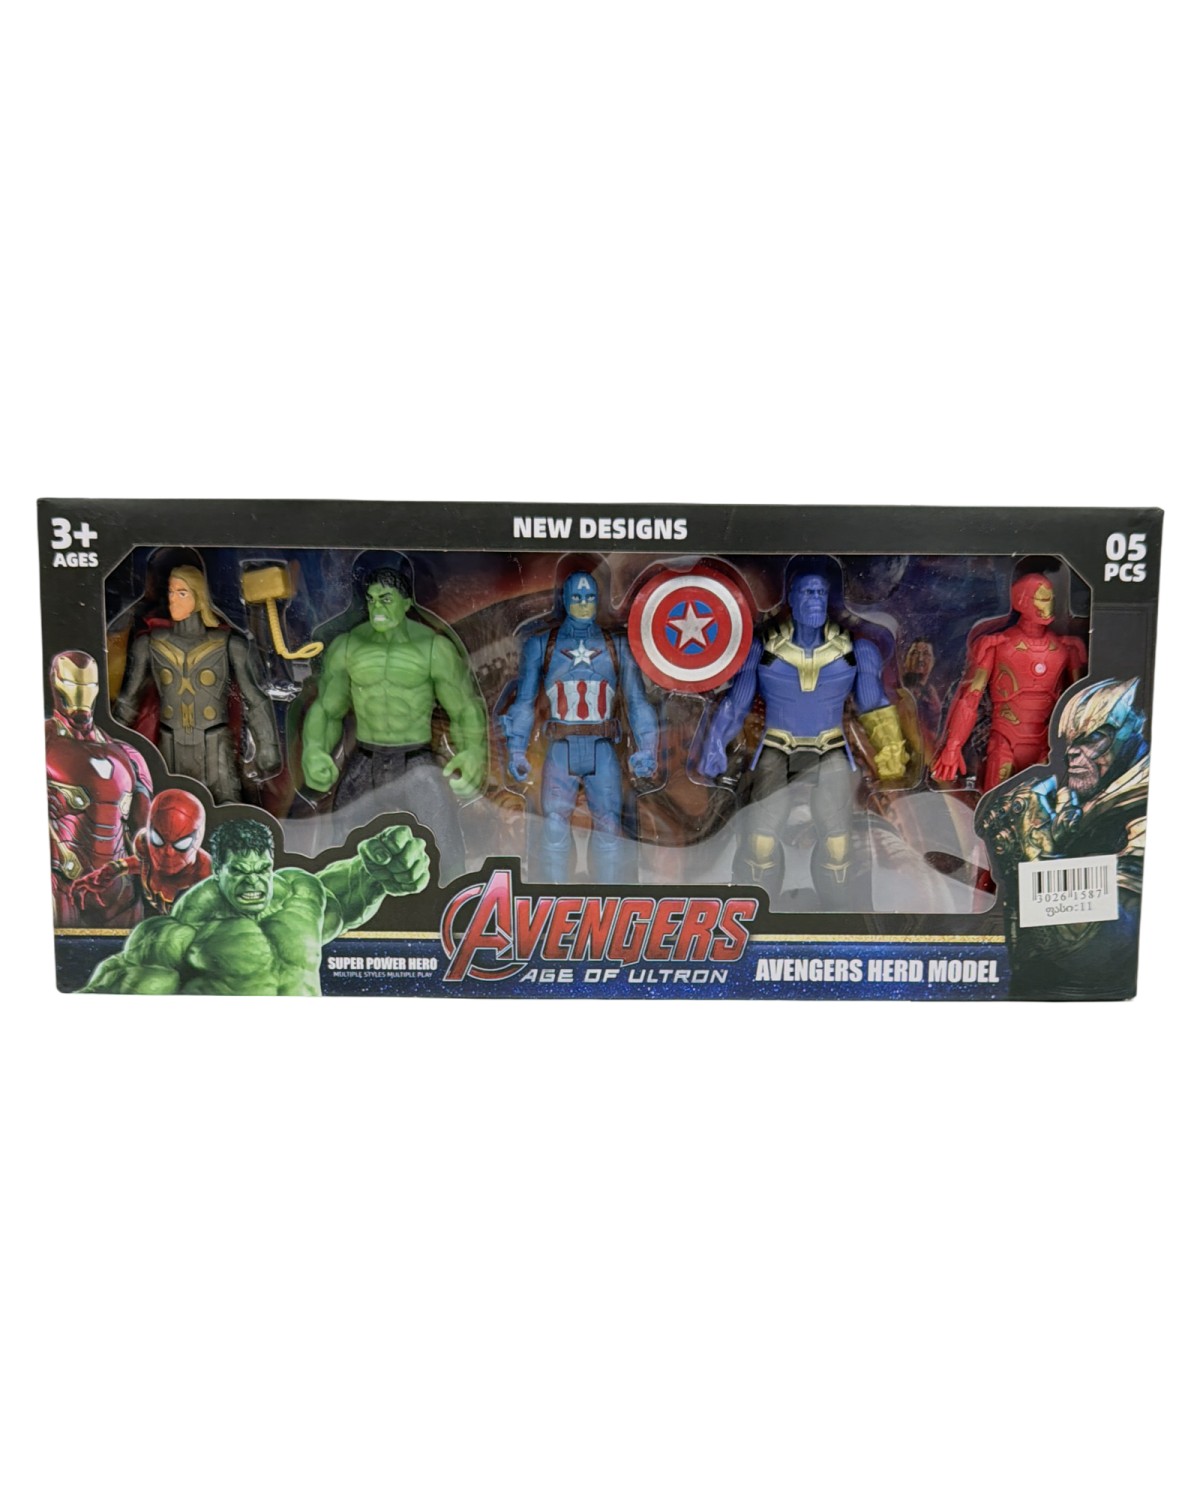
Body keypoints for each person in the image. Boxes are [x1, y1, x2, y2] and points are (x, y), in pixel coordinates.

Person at [81, 818, 429, 994]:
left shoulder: (300, 895)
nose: (254, 883)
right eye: (239, 872)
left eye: (262, 869)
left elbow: (354, 890)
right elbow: (117, 992)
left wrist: (388, 864)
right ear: (217, 870)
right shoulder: (183, 932)